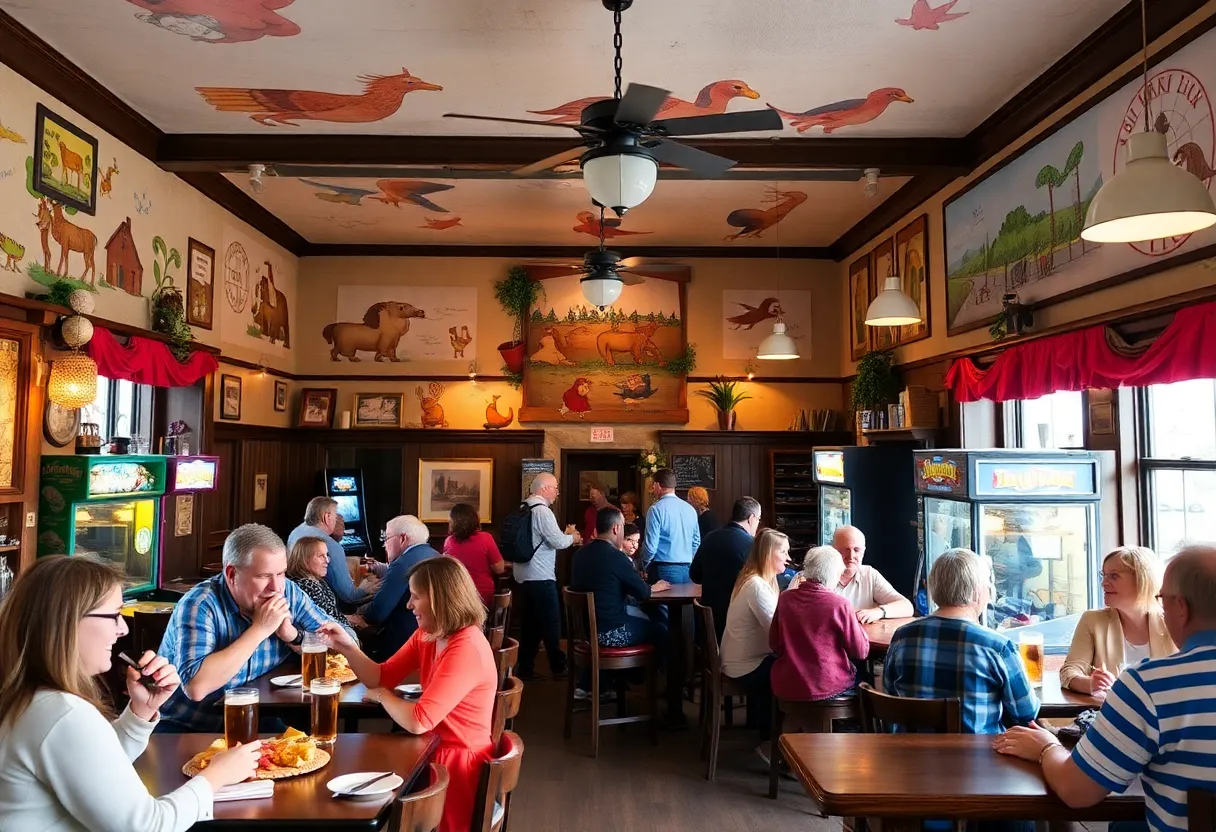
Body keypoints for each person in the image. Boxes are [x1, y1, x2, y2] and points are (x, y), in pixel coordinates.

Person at [0, 556, 262, 831]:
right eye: (114, 615)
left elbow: (92, 772)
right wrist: (216, 775)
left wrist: (140, 712)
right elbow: (146, 826)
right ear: (68, 622)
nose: (122, 629)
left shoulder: (32, 701)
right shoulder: (63, 715)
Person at [994, 546, 1216, 832]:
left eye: (1165, 600)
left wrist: (1045, 746)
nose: (1104, 583)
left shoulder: (1147, 684)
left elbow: (1076, 791)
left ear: (1181, 608)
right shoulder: (1096, 621)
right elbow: (1070, 670)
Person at [321, 557, 497, 832]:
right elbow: (381, 676)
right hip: (431, 750)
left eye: (415, 597)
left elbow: (419, 720)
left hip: (458, 764)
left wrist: (382, 697)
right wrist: (346, 647)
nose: (408, 605)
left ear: (439, 599)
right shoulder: (429, 635)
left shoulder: (466, 647)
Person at [157, 524, 352, 733]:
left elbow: (349, 641)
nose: (276, 587)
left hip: (253, 720)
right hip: (187, 728)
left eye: (281, 574)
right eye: (263, 576)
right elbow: (196, 687)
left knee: (317, 751)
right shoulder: (200, 604)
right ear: (231, 574)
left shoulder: (288, 592)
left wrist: (293, 636)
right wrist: (260, 629)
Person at [884, 548, 1039, 734]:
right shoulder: (997, 647)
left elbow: (889, 695)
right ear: (976, 593)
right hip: (980, 760)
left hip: (909, 758)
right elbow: (1026, 713)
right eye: (987, 584)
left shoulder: (902, 637)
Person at [1059, 546, 1175, 695]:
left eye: (1113, 576)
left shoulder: (1172, 623)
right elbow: (1070, 671)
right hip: (1111, 713)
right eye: (1104, 575)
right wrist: (1090, 684)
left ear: (1141, 580)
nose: (1103, 583)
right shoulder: (1093, 621)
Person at [770, 545, 869, 704]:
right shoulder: (840, 604)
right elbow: (860, 652)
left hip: (786, 684)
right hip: (826, 687)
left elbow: (774, 643)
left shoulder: (785, 598)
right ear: (833, 575)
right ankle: (850, 726)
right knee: (866, 679)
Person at [720, 528, 791, 749]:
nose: (789, 558)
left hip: (736, 658)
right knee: (790, 674)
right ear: (769, 553)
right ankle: (775, 742)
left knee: (784, 666)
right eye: (784, 552)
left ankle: (767, 731)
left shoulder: (754, 578)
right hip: (743, 665)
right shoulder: (757, 586)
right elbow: (777, 632)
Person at [515, 472, 582, 680]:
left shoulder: (522, 508)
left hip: (522, 576)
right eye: (555, 488)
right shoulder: (542, 512)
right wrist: (573, 536)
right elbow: (559, 542)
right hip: (540, 577)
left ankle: (524, 668)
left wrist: (564, 536)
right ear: (544, 489)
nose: (557, 493)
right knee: (551, 623)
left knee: (530, 626)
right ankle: (559, 667)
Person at [359, 515, 437, 661]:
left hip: (404, 644)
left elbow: (377, 612)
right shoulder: (436, 555)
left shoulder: (402, 564)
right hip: (434, 640)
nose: (384, 545)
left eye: (387, 538)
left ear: (402, 539)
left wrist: (356, 611)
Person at [689, 496, 762, 642]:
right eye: (759, 519)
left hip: (709, 625)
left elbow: (694, 575)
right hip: (738, 625)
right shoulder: (752, 545)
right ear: (751, 518)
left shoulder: (710, 537)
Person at [287, 497, 368, 606]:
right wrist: (367, 588)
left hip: (296, 599)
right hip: (325, 606)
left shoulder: (295, 532)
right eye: (335, 516)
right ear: (327, 517)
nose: (337, 520)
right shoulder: (331, 546)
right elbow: (349, 596)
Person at [833, 525, 914, 623]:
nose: (851, 556)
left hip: (862, 637)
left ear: (864, 551)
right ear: (833, 551)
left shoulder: (869, 574)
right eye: (845, 550)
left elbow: (907, 607)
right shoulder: (820, 575)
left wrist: (879, 612)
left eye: (856, 550)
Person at [286, 537, 365, 632]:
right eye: (320, 556)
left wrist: (350, 618)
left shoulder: (318, 581)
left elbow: (331, 614)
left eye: (326, 555)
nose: (327, 560)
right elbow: (327, 623)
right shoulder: (307, 586)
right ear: (305, 560)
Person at [642, 468, 701, 589]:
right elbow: (696, 542)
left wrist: (645, 564)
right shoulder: (690, 509)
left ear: (657, 485)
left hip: (665, 569)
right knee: (685, 606)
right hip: (688, 570)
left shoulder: (655, 509)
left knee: (664, 607)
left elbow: (651, 546)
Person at [442, 503, 506, 606]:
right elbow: (499, 569)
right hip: (482, 595)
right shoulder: (486, 538)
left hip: (457, 596)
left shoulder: (448, 541)